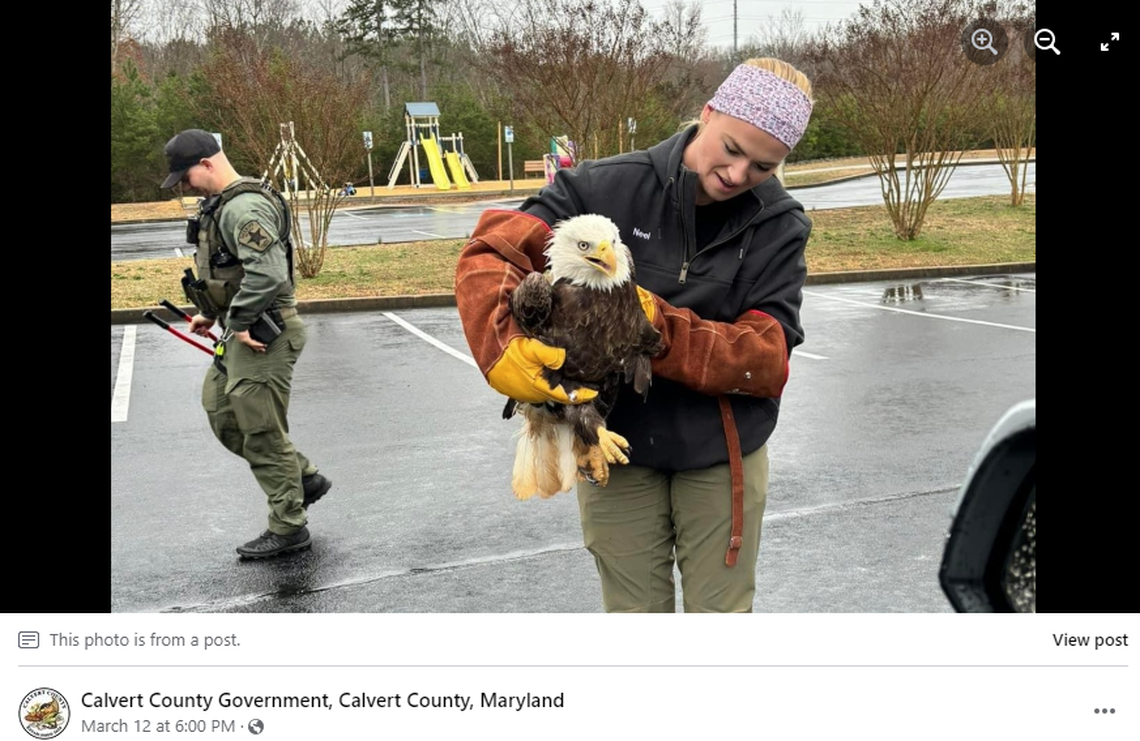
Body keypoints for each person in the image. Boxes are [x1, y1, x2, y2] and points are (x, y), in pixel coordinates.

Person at [455, 59, 814, 612]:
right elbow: (493, 250)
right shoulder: (601, 186)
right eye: (732, 149)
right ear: (708, 113)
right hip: (610, 439)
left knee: (720, 618)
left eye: (763, 166)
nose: (739, 173)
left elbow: (765, 358)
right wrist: (499, 345)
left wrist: (649, 326)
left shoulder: (780, 225)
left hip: (720, 451)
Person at [160, 129, 333, 560]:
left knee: (261, 432)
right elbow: (232, 272)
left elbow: (269, 274)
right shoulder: (222, 204)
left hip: (263, 334)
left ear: (207, 164)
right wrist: (211, 312)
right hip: (243, 330)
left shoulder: (244, 208)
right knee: (222, 413)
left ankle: (289, 526)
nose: (185, 186)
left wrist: (236, 320)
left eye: (186, 176)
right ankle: (303, 477)